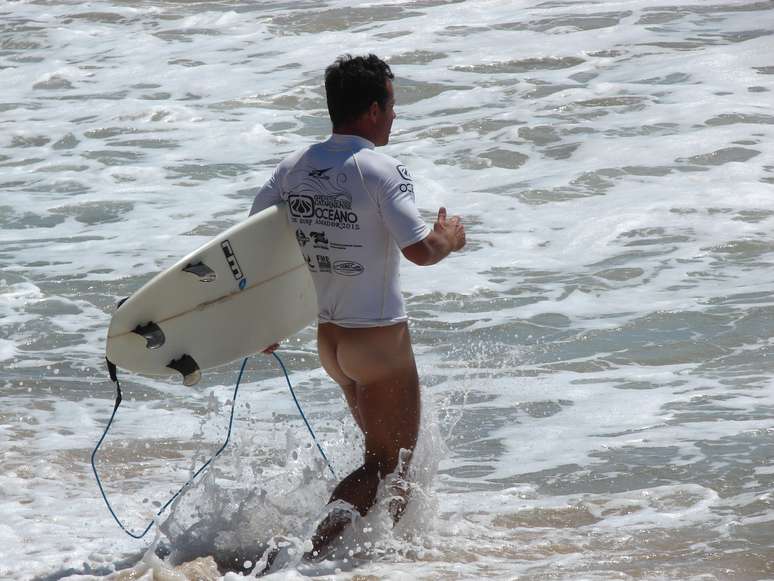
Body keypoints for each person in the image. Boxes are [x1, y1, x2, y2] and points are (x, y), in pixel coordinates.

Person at [250, 53, 465, 561]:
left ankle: (373, 560)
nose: (394, 116)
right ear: (371, 110)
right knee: (387, 464)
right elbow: (420, 250)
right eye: (391, 105)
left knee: (384, 460)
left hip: (332, 342)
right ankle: (308, 558)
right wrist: (449, 237)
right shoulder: (378, 169)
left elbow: (255, 247)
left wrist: (265, 320)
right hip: (378, 340)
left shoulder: (293, 167)